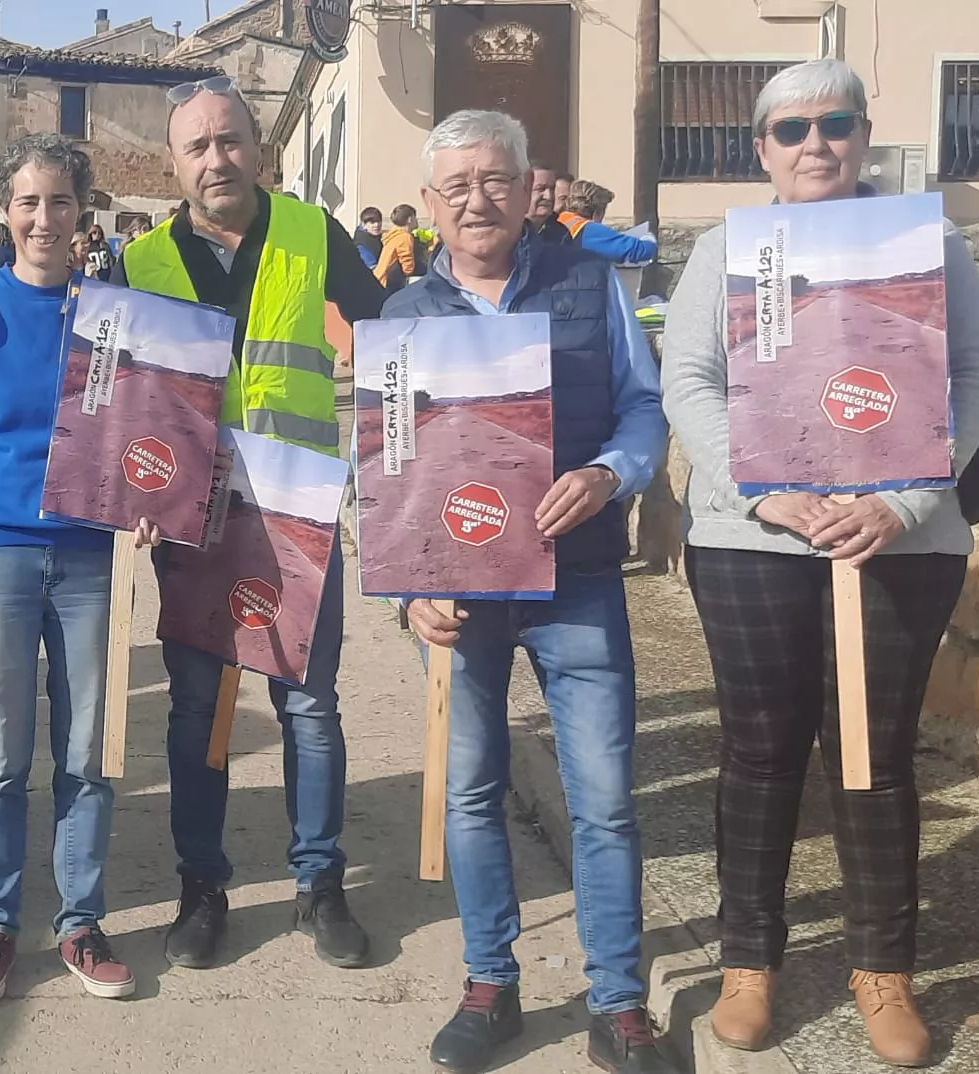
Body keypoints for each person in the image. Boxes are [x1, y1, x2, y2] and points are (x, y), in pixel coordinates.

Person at [660, 59, 979, 1069]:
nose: (815, 143)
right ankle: (747, 961)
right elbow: (687, 380)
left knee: (872, 756)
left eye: (835, 124)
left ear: (861, 135)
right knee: (759, 753)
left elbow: (975, 372)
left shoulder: (925, 242)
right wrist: (766, 491)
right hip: (751, 538)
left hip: (896, 538)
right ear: (759, 147)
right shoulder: (724, 249)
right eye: (791, 127)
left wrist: (898, 503)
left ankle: (880, 969)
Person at [390, 110, 674, 1074]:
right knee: (470, 793)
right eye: (457, 184)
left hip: (579, 574)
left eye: (496, 179)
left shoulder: (594, 286)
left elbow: (646, 408)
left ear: (530, 187)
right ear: (430, 204)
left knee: (603, 797)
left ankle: (620, 1003)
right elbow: (387, 472)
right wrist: (407, 591)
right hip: (461, 594)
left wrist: (609, 473)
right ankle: (490, 982)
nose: (478, 198)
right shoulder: (401, 319)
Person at [113, 75, 390, 971]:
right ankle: (203, 888)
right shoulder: (142, 261)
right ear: (175, 162)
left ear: (257, 148)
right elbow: (125, 404)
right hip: (194, 523)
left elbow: (391, 336)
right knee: (196, 709)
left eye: (229, 141)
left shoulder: (313, 232)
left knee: (308, 706)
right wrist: (137, 501)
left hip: (299, 513)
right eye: (197, 147)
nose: (215, 160)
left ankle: (321, 886)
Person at [0, 133, 159, 1007]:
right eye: (26, 202)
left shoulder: (114, 315)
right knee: (1, 755)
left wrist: (150, 505)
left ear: (83, 216)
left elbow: (147, 434)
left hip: (92, 553)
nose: (43, 218)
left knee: (89, 753)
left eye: (59, 202)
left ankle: (80, 923)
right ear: (1, 212)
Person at [558, 180, 658, 265]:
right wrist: (648, 237)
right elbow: (641, 251)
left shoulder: (559, 221)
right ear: (598, 211)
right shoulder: (590, 231)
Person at [372, 203, 419, 292]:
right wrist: (410, 272)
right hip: (389, 282)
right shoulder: (404, 237)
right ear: (409, 219)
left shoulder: (394, 234)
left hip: (380, 278)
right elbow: (407, 262)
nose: (416, 221)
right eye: (415, 218)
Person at [527, 166, 573, 245]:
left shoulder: (561, 234)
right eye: (540, 189)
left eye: (552, 189)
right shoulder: (509, 231)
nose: (549, 196)